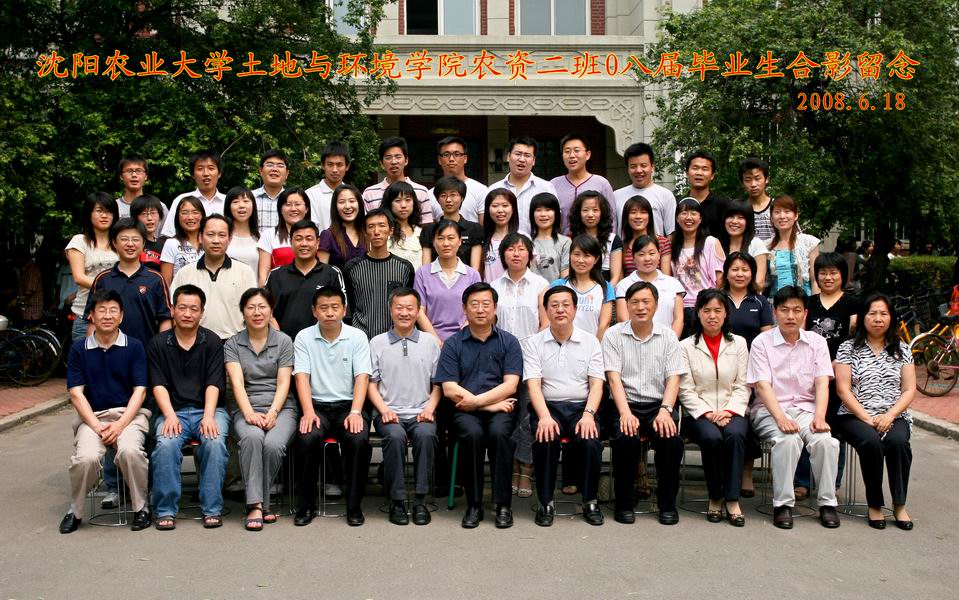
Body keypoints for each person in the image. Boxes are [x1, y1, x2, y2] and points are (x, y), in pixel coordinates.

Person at [746, 286, 841, 529]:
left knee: (825, 441)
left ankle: (827, 503)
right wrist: (780, 418)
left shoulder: (817, 342)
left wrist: (819, 417)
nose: (790, 316)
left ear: (805, 314)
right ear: (775, 312)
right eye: (784, 310)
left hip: (806, 411)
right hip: (769, 411)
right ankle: (783, 505)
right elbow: (762, 386)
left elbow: (822, 382)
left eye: (797, 310)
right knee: (788, 440)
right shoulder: (761, 343)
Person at [59, 289, 152, 534]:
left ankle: (141, 507)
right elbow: (76, 394)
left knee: (130, 451)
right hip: (93, 418)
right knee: (86, 458)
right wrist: (98, 427)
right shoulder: (79, 349)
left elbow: (140, 391)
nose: (107, 315)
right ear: (91, 315)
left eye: (113, 311)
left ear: (121, 316)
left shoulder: (135, 347)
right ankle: (75, 510)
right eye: (101, 310)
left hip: (128, 417)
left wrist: (119, 426)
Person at [435, 282, 523, 529]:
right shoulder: (453, 344)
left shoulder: (509, 342)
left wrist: (476, 402)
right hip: (465, 409)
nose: (480, 309)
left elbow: (511, 385)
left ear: (495, 308)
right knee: (471, 434)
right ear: (464, 308)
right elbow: (449, 389)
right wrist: (486, 406)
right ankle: (474, 504)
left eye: (486, 304)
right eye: (474, 304)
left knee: (499, 434)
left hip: (498, 407)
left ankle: (502, 504)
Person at [603, 281, 686, 525]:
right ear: (627, 306)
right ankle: (624, 502)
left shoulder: (668, 336)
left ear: (656, 305)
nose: (641, 307)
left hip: (658, 405)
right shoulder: (613, 335)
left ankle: (666, 503)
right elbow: (613, 379)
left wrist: (666, 410)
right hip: (624, 404)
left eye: (646, 302)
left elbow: (674, 378)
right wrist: (625, 413)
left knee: (670, 440)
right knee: (625, 438)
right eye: (635, 302)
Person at [148, 285, 229, 530]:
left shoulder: (212, 341)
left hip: (209, 409)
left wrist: (208, 416)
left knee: (214, 443)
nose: (187, 313)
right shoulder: (158, 343)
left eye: (194, 309)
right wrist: (169, 415)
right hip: (173, 411)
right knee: (165, 444)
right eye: (182, 307)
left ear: (202, 312)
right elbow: (158, 384)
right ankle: (165, 509)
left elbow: (214, 383)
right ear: (173, 310)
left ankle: (212, 508)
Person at [292, 286, 373, 527]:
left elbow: (362, 377)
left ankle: (354, 506)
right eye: (324, 308)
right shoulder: (304, 337)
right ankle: (306, 505)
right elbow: (301, 377)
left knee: (358, 439)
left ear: (344, 310)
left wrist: (356, 412)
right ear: (314, 311)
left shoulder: (357, 337)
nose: (329, 313)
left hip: (348, 406)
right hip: (316, 406)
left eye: (335, 307)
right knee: (307, 438)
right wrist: (308, 411)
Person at [525, 285, 606, 526]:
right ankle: (546, 502)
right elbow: (533, 385)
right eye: (554, 305)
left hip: (582, 408)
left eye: (566, 305)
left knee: (590, 441)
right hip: (548, 407)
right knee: (546, 440)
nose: (560, 310)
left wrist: (589, 415)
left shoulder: (590, 342)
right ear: (546, 310)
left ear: (575, 309)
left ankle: (590, 500)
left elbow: (597, 384)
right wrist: (544, 417)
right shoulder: (534, 343)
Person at [835, 293, 915, 530]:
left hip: (894, 415)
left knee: (898, 442)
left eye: (883, 314)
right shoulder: (848, 348)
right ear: (863, 317)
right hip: (854, 415)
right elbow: (843, 389)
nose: (878, 319)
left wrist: (890, 415)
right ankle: (875, 504)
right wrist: (867, 418)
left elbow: (909, 389)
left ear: (891, 318)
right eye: (872, 313)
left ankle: (899, 505)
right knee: (871, 442)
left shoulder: (902, 349)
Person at [224, 287, 297, 531]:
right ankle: (256, 505)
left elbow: (284, 382)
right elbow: (237, 383)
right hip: (246, 405)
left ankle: (259, 501)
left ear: (271, 311)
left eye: (262, 307)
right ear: (243, 312)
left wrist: (273, 413)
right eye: (251, 307)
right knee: (252, 438)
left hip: (281, 406)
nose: (257, 312)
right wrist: (249, 413)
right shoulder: (233, 344)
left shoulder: (284, 341)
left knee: (273, 444)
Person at [368, 287, 442, 526]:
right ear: (391, 310)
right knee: (395, 437)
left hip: (422, 411)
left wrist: (430, 408)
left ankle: (420, 500)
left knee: (425, 436)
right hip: (388, 412)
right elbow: (371, 384)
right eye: (399, 308)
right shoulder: (377, 342)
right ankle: (397, 500)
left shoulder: (430, 342)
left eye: (410, 308)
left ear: (418, 311)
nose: (404, 313)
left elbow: (438, 384)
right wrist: (384, 410)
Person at [677, 289, 750, 526]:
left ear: (726, 313)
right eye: (706, 310)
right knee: (712, 438)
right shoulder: (686, 346)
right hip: (699, 413)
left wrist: (728, 411)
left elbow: (743, 384)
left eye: (718, 310)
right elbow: (685, 389)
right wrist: (708, 413)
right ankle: (715, 497)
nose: (712, 316)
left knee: (735, 435)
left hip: (732, 410)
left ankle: (732, 499)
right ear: (697, 313)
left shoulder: (738, 343)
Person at [794, 251, 858, 498]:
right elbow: (799, 337)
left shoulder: (853, 304)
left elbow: (854, 339)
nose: (828, 277)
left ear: (843, 275)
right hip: (809, 375)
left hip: (839, 375)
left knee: (834, 430)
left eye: (833, 273)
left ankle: (831, 482)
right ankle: (802, 481)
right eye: (823, 273)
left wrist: (837, 364)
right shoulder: (808, 303)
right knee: (806, 424)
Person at [490, 232, 549, 500]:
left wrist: (533, 351)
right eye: (511, 249)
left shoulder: (540, 284)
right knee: (506, 414)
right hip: (499, 360)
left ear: (530, 254)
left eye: (521, 249)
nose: (516, 254)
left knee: (526, 415)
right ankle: (509, 464)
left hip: (530, 357)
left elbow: (545, 323)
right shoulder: (494, 286)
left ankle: (525, 466)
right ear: (503, 254)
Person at [720, 251, 773, 498]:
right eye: (735, 269)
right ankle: (724, 472)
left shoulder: (760, 302)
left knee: (747, 418)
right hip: (720, 369)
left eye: (745, 269)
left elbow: (767, 338)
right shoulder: (718, 299)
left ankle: (747, 472)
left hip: (752, 370)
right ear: (726, 272)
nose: (739, 274)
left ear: (752, 273)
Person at [84, 218, 172, 346]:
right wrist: (93, 351)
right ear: (114, 242)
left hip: (146, 351)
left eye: (135, 239)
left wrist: (160, 350)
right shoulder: (103, 279)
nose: (130, 244)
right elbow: (93, 320)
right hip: (108, 351)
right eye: (124, 239)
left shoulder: (156, 279)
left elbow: (165, 320)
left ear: (143, 243)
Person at [171, 215, 257, 341]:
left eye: (222, 235)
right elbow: (175, 312)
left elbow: (253, 310)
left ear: (230, 238)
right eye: (210, 235)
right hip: (195, 343)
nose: (216, 240)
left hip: (235, 343)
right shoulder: (184, 273)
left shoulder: (245, 272)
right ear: (200, 237)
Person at [265, 220, 347, 340]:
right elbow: (265, 309)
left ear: (317, 242)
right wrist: (278, 336)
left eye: (309, 239)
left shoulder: (332, 273)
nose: (304, 244)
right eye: (298, 239)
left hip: (323, 343)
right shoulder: (276, 275)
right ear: (291, 242)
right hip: (284, 344)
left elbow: (342, 311)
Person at [343, 209, 415, 339]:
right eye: (371, 226)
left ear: (391, 230)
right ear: (365, 232)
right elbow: (349, 307)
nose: (376, 231)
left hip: (394, 338)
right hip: (361, 339)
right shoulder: (352, 267)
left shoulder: (404, 268)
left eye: (382, 225)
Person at [414, 220, 483, 341]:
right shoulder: (422, 273)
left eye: (451, 238)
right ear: (433, 242)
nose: (446, 243)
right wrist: (436, 341)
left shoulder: (472, 275)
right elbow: (419, 311)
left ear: (460, 241)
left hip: (465, 340)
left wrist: (457, 342)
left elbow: (476, 311)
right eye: (440, 238)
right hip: (431, 340)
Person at [66, 192, 119, 340]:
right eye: (99, 211)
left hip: (117, 315)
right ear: (89, 213)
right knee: (87, 355)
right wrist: (115, 287)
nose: (104, 215)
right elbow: (79, 277)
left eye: (109, 211)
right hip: (86, 314)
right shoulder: (79, 241)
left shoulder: (120, 242)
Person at [671, 197, 725, 335]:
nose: (688, 217)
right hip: (679, 308)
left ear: (700, 218)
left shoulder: (711, 243)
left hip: (705, 306)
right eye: (684, 213)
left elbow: (720, 280)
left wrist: (711, 304)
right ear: (677, 218)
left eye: (693, 213)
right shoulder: (672, 245)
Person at [615, 235, 685, 337]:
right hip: (634, 341)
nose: (647, 258)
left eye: (652, 253)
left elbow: (679, 318)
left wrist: (671, 341)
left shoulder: (673, 284)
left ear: (659, 255)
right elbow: (623, 319)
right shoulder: (624, 285)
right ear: (633, 257)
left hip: (667, 341)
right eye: (641, 254)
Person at [488, 136, 557, 235]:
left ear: (534, 160)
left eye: (527, 155)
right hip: (503, 244)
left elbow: (555, 220)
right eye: (518, 154)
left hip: (537, 243)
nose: (522, 159)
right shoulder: (494, 189)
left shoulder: (546, 188)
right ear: (508, 156)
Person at [550, 133, 616, 235]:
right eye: (567, 151)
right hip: (563, 242)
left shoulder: (601, 183)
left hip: (596, 242)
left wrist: (609, 241)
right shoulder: (553, 185)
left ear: (588, 155)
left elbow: (612, 218)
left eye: (576, 150)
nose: (572, 155)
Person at [553, 235, 615, 341]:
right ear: (570, 256)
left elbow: (604, 324)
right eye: (576, 254)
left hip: (592, 347)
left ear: (596, 259)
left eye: (587, 255)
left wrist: (595, 348)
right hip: (561, 345)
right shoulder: (558, 285)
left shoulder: (605, 287)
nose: (580, 260)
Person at [361, 137, 433, 224]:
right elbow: (366, 226)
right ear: (381, 163)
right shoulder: (369, 193)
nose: (394, 162)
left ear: (406, 160)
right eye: (388, 158)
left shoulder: (421, 191)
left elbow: (426, 226)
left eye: (398, 157)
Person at [420, 176, 484, 270]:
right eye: (443, 195)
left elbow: (475, 269)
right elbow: (426, 268)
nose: (448, 200)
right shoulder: (429, 230)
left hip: (467, 278)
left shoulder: (474, 229)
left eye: (453, 195)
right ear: (437, 200)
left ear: (462, 198)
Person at [613, 143, 675, 237]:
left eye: (643, 165)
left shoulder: (665, 195)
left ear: (652, 167)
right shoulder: (616, 196)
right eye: (633, 166)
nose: (638, 170)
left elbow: (671, 233)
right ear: (628, 169)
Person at [160, 150, 226, 238]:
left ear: (219, 173)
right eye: (200, 169)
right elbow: (169, 235)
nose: (206, 173)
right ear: (193, 174)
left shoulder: (229, 202)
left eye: (211, 168)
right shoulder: (181, 200)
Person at [766, 195, 820, 296]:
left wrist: (814, 303)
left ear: (796, 216)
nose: (782, 216)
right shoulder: (766, 246)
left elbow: (815, 281)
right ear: (772, 218)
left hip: (804, 301)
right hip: (774, 302)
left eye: (787, 211)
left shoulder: (810, 242)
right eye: (777, 212)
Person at [257, 187, 312, 286]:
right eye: (288, 204)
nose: (293, 209)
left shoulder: (315, 236)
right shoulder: (269, 235)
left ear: (306, 209)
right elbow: (263, 277)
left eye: (298, 204)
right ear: (281, 210)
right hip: (278, 292)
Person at [427, 136, 489, 223]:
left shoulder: (481, 190)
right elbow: (431, 229)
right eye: (446, 154)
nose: (451, 159)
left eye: (457, 154)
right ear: (439, 160)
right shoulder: (430, 195)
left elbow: (484, 228)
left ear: (465, 158)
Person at [569, 190, 622, 284]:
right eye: (585, 210)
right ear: (578, 213)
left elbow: (615, 277)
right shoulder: (570, 239)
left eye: (595, 210)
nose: (590, 215)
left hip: (605, 287)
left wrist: (607, 291)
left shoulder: (613, 239)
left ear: (602, 212)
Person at [717, 201, 769, 290]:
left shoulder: (756, 244)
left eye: (740, 218)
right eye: (731, 216)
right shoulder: (716, 244)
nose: (734, 221)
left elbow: (759, 282)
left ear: (748, 221)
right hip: (721, 297)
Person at [680, 150, 729, 237]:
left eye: (705, 169)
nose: (699, 173)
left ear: (712, 175)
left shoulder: (724, 206)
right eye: (695, 168)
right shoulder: (678, 204)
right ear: (687, 173)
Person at [306, 141, 352, 233]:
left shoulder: (354, 195)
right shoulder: (310, 195)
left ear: (347, 166)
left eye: (339, 165)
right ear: (323, 166)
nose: (335, 170)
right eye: (330, 164)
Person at [319, 183, 367, 269]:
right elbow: (322, 272)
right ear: (335, 206)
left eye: (352, 201)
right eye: (341, 202)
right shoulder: (328, 235)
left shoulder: (367, 233)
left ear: (359, 204)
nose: (347, 206)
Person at [620, 195, 671, 277]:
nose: (638, 216)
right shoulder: (622, 245)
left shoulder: (662, 242)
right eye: (633, 212)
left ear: (649, 217)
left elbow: (666, 277)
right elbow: (620, 278)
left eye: (643, 212)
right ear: (627, 217)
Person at [159, 196, 205, 286]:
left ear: (202, 216)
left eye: (195, 212)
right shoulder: (171, 244)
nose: (190, 217)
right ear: (177, 217)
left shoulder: (209, 243)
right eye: (184, 213)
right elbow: (166, 284)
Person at [480, 188, 520, 283]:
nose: (500, 210)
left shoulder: (522, 237)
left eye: (505, 205)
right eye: (495, 206)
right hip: (488, 291)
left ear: (513, 209)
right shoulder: (481, 238)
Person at [528, 192, 571, 282]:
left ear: (556, 213)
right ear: (532, 214)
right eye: (538, 210)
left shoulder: (565, 242)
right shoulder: (527, 241)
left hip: (556, 290)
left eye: (548, 210)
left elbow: (565, 277)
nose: (543, 214)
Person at [383, 180, 426, 266]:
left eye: (408, 200)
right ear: (389, 204)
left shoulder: (420, 232)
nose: (403, 205)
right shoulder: (382, 231)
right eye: (398, 200)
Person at [224, 186, 261, 272]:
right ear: (228, 207)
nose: (241, 205)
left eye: (246, 201)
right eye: (235, 202)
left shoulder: (261, 237)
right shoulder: (222, 236)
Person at [739, 157, 775, 242]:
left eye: (757, 178)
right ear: (742, 183)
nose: (753, 184)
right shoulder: (740, 210)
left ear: (766, 179)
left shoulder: (778, 207)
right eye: (748, 180)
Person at [252, 149, 288, 231]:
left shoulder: (293, 201)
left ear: (287, 173)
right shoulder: (249, 198)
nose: (274, 169)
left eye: (280, 166)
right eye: (270, 165)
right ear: (261, 171)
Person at [130, 194, 167, 272]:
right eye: (144, 214)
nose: (150, 218)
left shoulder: (164, 245)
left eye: (153, 213)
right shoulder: (131, 244)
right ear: (135, 218)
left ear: (160, 216)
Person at [115, 155, 156, 219]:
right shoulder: (113, 207)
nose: (134, 175)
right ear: (121, 176)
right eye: (129, 171)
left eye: (139, 171)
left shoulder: (158, 207)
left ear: (146, 176)